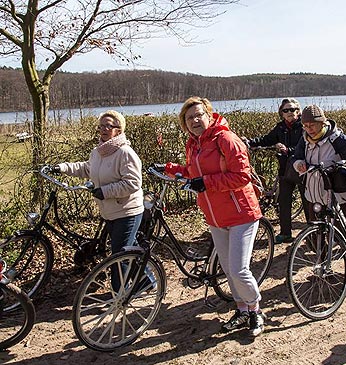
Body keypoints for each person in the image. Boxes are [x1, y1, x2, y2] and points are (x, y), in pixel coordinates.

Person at [164, 96, 265, 337]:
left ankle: (256, 310)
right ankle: (242, 310)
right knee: (229, 269)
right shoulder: (194, 144)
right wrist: (169, 169)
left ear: (210, 115)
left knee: (239, 270)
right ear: (185, 124)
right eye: (190, 118)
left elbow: (242, 177)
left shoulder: (226, 140)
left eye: (199, 115)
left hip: (242, 213)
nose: (195, 120)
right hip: (215, 216)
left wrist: (205, 183)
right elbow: (192, 172)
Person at [53, 110, 144, 262]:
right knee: (129, 250)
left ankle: (120, 286)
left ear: (119, 130)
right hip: (109, 212)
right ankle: (148, 281)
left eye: (109, 126)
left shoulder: (125, 153)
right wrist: (61, 167)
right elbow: (86, 168)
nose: (104, 129)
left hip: (127, 212)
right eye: (101, 126)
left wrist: (105, 191)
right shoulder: (98, 152)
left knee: (118, 259)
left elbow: (133, 183)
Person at [293, 105, 346, 219]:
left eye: (312, 125)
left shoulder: (335, 138)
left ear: (322, 123)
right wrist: (298, 164)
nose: (309, 129)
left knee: (336, 233)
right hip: (313, 195)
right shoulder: (305, 139)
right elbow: (296, 157)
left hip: (336, 195)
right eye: (305, 126)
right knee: (315, 233)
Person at [245, 98, 308, 244]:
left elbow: (305, 147)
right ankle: (285, 233)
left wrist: (287, 150)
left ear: (298, 111)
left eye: (293, 109)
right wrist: (249, 142)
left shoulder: (304, 127)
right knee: (283, 202)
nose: (290, 112)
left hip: (302, 169)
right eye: (286, 110)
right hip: (285, 169)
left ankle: (312, 231)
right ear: (282, 113)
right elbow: (266, 139)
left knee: (307, 202)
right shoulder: (280, 128)